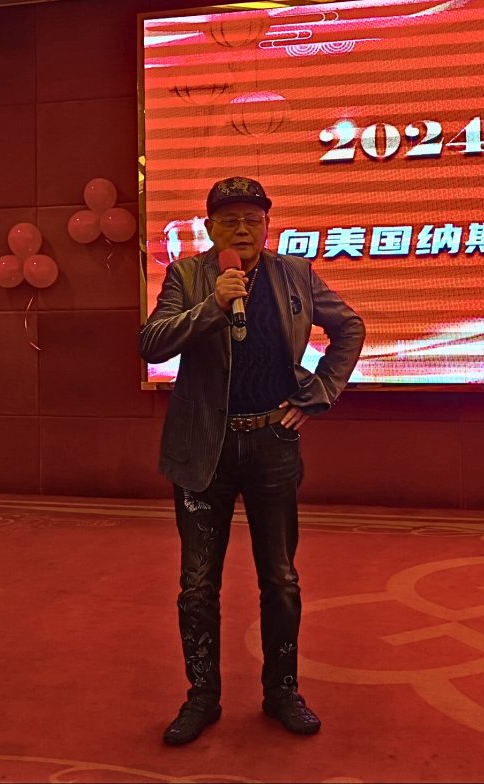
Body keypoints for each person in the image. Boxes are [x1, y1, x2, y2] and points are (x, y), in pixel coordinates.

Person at [139, 176, 365, 745]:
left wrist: (319, 392)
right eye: (230, 219)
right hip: (203, 447)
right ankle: (202, 697)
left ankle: (282, 691)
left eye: (253, 219)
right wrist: (213, 306)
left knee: (281, 579)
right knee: (197, 584)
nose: (242, 228)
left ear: (268, 225)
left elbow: (349, 327)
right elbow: (152, 342)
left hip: (272, 444)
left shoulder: (296, 275)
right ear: (210, 227)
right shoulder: (188, 276)